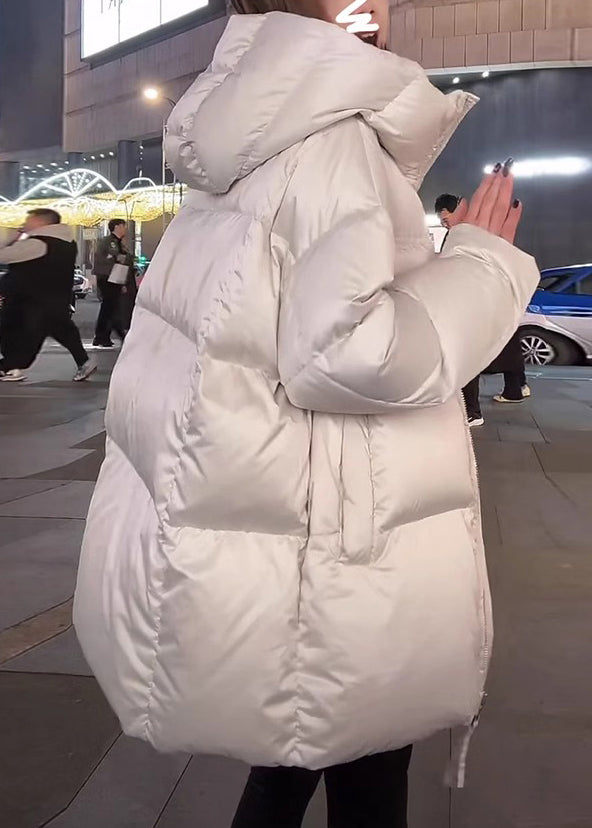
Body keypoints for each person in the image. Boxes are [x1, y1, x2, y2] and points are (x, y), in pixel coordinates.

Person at [74, 4, 540, 827]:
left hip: (303, 529)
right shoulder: (332, 143)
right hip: (336, 547)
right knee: (351, 756)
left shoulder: (262, 131)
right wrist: (483, 265)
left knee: (315, 755)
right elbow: (348, 354)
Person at [436, 190, 531, 424]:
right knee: (507, 345)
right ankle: (515, 388)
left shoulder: (465, 234)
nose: (445, 225)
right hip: (494, 302)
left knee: (466, 357)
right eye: (442, 222)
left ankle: (471, 411)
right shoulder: (466, 233)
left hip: (478, 304)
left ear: (458, 210)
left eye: (446, 219)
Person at [0, 209, 96, 383]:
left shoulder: (38, 244)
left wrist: (13, 236)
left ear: (40, 222)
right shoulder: (67, 242)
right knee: (63, 331)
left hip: (29, 302)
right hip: (55, 300)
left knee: (21, 335)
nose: (26, 223)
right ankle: (84, 361)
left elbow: (3, 255)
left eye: (29, 219)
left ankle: (10, 368)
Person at [93, 218, 133, 348]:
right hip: (107, 278)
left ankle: (102, 336)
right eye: (123, 226)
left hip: (116, 278)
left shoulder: (120, 243)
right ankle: (110, 335)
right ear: (116, 227)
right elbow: (106, 258)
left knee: (110, 307)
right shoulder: (108, 242)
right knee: (110, 307)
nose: (124, 229)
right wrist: (117, 257)